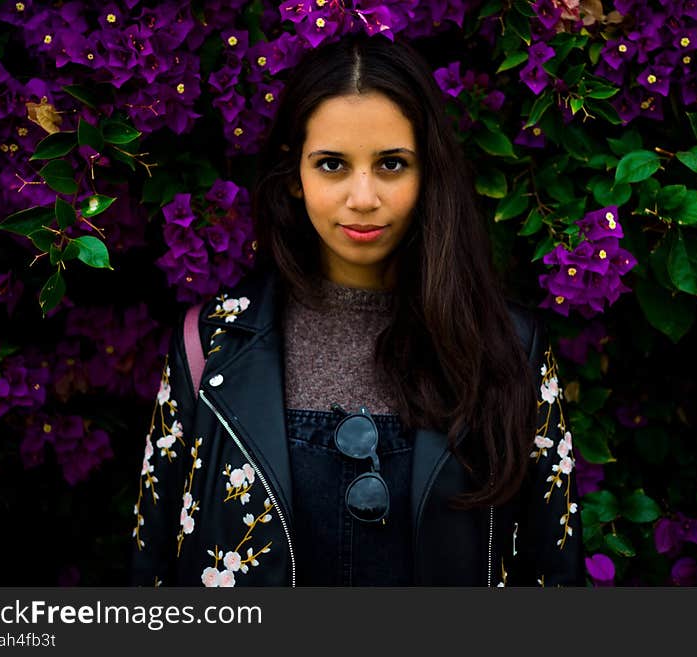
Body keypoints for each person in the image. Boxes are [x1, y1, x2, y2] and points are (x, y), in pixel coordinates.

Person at [130, 32, 583, 587]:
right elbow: (152, 575)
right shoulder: (210, 347)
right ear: (293, 175)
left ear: (428, 173)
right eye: (332, 165)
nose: (363, 196)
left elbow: (555, 576)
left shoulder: (510, 346)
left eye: (391, 164)